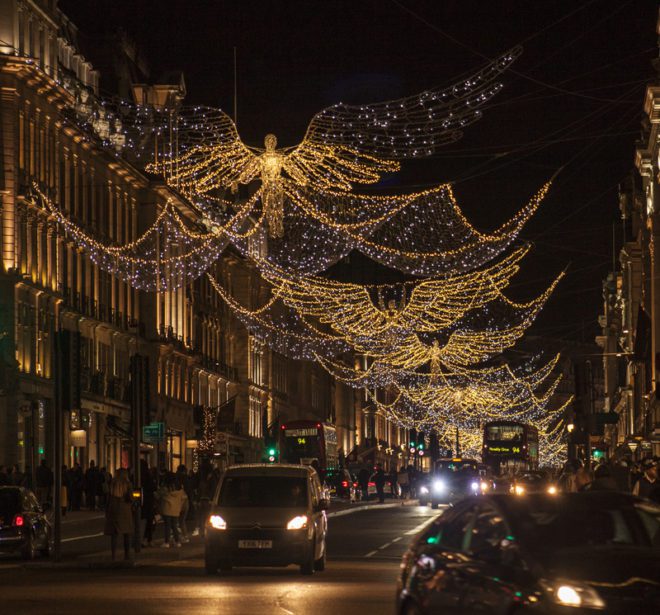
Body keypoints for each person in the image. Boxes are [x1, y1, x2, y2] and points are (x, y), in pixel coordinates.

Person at [104, 469, 134, 562]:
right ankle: (127, 555)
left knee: (114, 534)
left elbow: (108, 497)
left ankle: (113, 555)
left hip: (113, 508)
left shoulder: (113, 483)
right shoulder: (127, 484)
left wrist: (107, 509)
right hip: (124, 509)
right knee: (126, 533)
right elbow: (130, 498)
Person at [159, 473, 187, 548]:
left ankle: (167, 542)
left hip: (167, 508)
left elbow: (159, 494)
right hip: (176, 509)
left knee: (167, 526)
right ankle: (177, 541)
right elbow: (184, 498)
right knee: (174, 526)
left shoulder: (165, 488)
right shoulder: (179, 489)